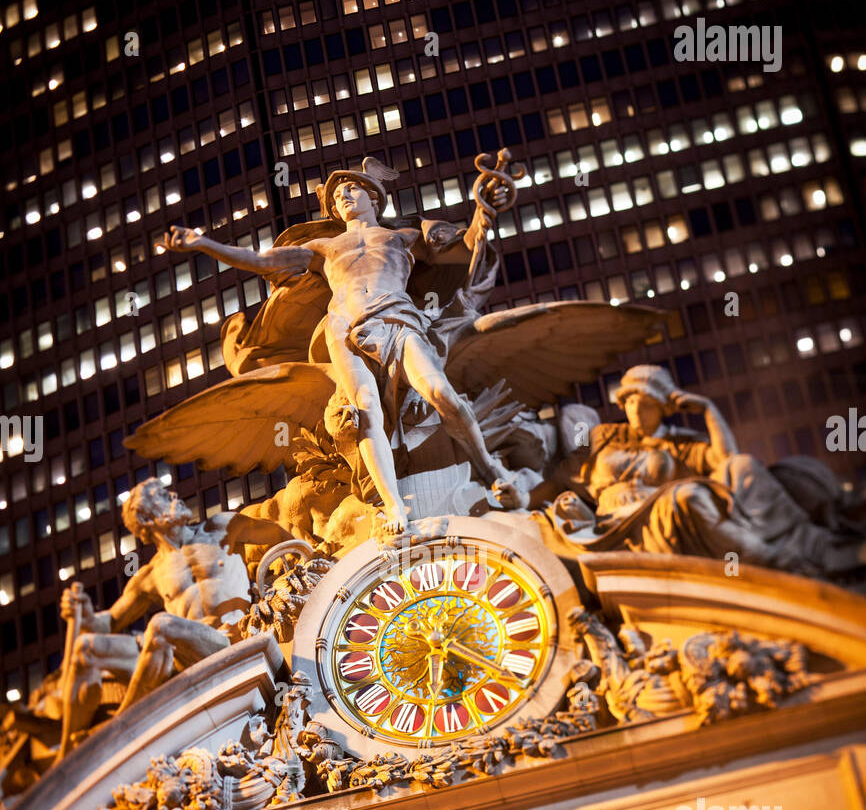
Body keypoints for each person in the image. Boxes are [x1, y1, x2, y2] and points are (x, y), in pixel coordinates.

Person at [160, 156, 514, 532]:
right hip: (344, 324)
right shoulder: (324, 246)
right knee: (364, 412)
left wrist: (485, 210)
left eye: (351, 189)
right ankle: (393, 506)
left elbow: (469, 245)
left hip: (396, 316)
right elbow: (260, 260)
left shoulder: (405, 235)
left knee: (440, 392)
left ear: (374, 198)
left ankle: (491, 469)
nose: (343, 197)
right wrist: (204, 243)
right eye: (336, 196)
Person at [501, 365, 865, 577]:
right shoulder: (604, 438)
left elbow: (727, 461)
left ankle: (796, 549)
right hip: (617, 527)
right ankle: (776, 561)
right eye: (627, 402)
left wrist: (707, 409)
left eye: (641, 403)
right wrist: (521, 496)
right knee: (687, 495)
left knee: (734, 470)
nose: (632, 410)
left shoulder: (682, 444)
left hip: (664, 517)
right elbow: (558, 481)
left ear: (662, 406)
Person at [59, 478, 286, 740]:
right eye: (163, 496)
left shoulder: (222, 528)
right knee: (85, 647)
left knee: (160, 626)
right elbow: (109, 622)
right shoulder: (150, 575)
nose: (175, 496)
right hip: (187, 659)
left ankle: (122, 723)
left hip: (234, 640)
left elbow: (279, 535)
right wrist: (84, 612)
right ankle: (72, 750)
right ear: (145, 518)